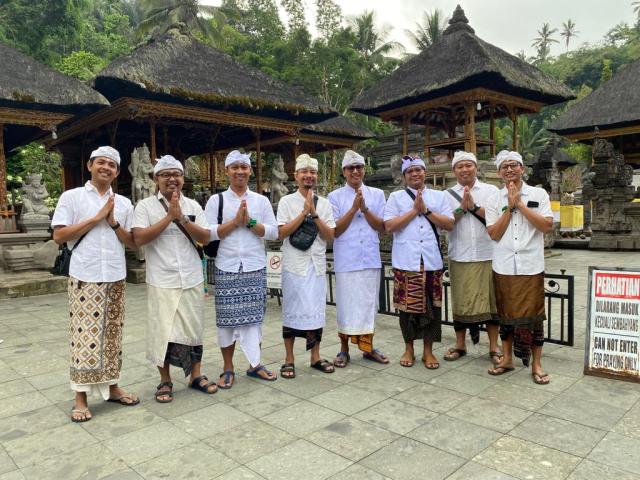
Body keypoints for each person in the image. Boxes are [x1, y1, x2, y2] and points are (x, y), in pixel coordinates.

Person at [52, 146, 139, 422]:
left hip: (114, 274)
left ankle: (113, 387)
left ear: (117, 171)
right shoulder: (72, 197)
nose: (106, 168)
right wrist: (95, 218)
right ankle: (80, 398)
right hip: (84, 275)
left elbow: (132, 242)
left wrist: (113, 223)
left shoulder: (124, 203)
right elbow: (59, 236)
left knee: (112, 336)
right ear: (90, 165)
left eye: (112, 165)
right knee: (84, 337)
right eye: (101, 163)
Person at [132, 155, 217, 403]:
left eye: (176, 174)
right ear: (156, 179)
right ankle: (165, 380)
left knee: (193, 328)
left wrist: (181, 218)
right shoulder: (145, 207)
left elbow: (206, 237)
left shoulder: (193, 206)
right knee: (164, 331)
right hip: (162, 278)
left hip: (190, 276)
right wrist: (169, 216)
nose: (172, 179)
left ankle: (196, 375)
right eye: (166, 175)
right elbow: (139, 238)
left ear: (182, 178)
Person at [205, 151, 278, 389]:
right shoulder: (217, 201)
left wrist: (251, 223)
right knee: (226, 321)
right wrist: (235, 223)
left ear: (250, 171)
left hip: (254, 266)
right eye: (234, 167)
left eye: (244, 167)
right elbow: (208, 234)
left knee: (254, 319)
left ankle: (255, 364)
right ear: (226, 171)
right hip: (226, 266)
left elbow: (273, 232)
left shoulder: (261, 201)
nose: (239, 171)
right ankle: (228, 368)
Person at [485, 150, 554, 384]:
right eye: (504, 167)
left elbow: (546, 225)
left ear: (522, 168)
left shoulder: (538, 194)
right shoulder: (494, 199)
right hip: (504, 265)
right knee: (505, 315)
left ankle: (536, 363)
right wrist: (509, 207)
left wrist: (521, 205)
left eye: (513, 165)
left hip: (531, 266)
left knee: (534, 317)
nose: (509, 170)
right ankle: (506, 359)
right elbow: (493, 233)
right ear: (499, 173)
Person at [383, 155, 454, 369]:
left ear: (425, 172)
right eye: (410, 171)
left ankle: (428, 351)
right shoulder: (396, 198)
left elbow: (449, 224)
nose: (415, 174)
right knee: (407, 307)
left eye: (418, 170)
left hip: (431, 261)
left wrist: (426, 211)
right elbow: (389, 226)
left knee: (432, 305)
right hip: (406, 262)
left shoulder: (439, 196)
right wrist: (414, 210)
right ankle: (409, 348)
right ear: (404, 176)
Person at [327, 150, 389, 368]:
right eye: (350, 168)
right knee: (345, 305)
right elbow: (335, 231)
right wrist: (354, 209)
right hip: (347, 259)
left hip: (369, 258)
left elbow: (382, 227)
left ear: (364, 170)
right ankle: (344, 349)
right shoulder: (334, 197)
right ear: (344, 172)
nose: (355, 171)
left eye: (359, 167)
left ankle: (368, 347)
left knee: (369, 304)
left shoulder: (377, 194)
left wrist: (365, 209)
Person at [277, 154, 336, 378]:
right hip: (294, 264)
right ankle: (289, 359)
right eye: (304, 172)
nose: (308, 175)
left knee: (316, 312)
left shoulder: (326, 204)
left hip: (317, 265)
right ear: (296, 176)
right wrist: (303, 212)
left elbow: (330, 235)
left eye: (312, 172)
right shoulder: (286, 201)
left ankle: (315, 356)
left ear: (316, 176)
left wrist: (315, 213)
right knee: (291, 311)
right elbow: (281, 232)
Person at [444, 151, 502, 363]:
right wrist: (461, 209)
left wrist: (475, 208)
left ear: (476, 168)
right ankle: (460, 344)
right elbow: (445, 223)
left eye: (469, 165)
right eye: (460, 166)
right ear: (454, 171)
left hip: (488, 254)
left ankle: (494, 347)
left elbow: (498, 218)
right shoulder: (447, 194)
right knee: (461, 302)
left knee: (491, 303)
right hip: (460, 255)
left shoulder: (491, 191)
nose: (465, 169)